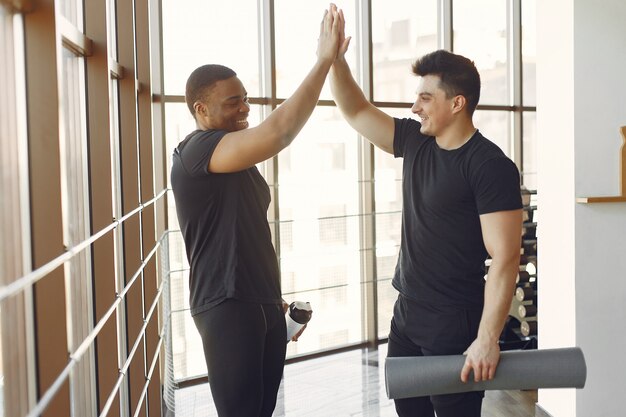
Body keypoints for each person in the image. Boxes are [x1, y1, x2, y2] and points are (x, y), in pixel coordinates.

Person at [330, 22, 523, 417]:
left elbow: (505, 257)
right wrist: (334, 61)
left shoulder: (490, 166)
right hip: (407, 314)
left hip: (454, 320)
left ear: (457, 103)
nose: (414, 107)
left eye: (424, 98)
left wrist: (488, 337)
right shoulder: (416, 140)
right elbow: (354, 109)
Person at [169, 5, 343, 416]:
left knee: (264, 410)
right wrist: (323, 60)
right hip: (226, 305)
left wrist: (274, 301)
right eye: (233, 102)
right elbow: (281, 131)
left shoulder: (237, 161)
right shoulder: (196, 151)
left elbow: (247, 233)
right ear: (201, 109)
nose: (245, 109)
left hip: (261, 302)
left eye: (246, 99)